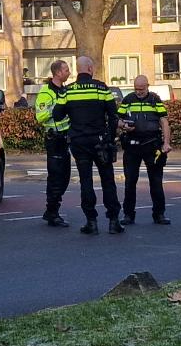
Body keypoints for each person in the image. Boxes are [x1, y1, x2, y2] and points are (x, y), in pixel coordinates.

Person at [53, 56, 122, 234]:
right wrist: (111, 138)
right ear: (90, 68)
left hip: (79, 142)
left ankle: (91, 222)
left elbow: (57, 115)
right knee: (108, 181)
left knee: (86, 181)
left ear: (77, 70)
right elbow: (113, 116)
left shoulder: (68, 91)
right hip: (100, 141)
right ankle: (114, 221)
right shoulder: (101, 88)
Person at [117, 74, 171, 224]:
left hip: (152, 145)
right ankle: (128, 215)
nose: (139, 91)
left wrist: (166, 142)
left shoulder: (155, 100)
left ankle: (159, 214)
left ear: (147, 86)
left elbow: (164, 122)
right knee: (130, 182)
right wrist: (123, 125)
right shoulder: (128, 100)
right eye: (136, 89)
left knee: (156, 181)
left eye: (141, 88)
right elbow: (118, 120)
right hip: (132, 146)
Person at [34, 60, 74, 227]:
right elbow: (40, 116)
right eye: (66, 70)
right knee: (56, 177)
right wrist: (57, 108)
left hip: (65, 138)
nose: (69, 72)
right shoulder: (46, 92)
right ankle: (52, 212)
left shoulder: (65, 90)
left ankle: (52, 210)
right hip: (54, 139)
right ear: (58, 72)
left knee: (65, 177)